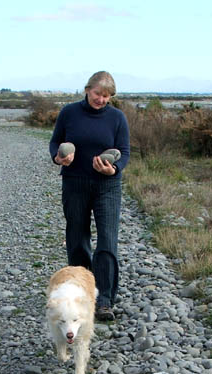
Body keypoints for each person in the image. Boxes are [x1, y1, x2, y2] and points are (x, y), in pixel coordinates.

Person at [49, 71, 130, 321]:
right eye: (98, 94)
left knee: (107, 241)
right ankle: (81, 293)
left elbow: (124, 152)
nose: (102, 100)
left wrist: (113, 168)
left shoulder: (117, 118)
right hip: (75, 183)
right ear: (87, 89)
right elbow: (55, 143)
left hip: (107, 187)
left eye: (107, 96)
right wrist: (59, 158)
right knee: (77, 237)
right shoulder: (69, 113)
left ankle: (104, 299)